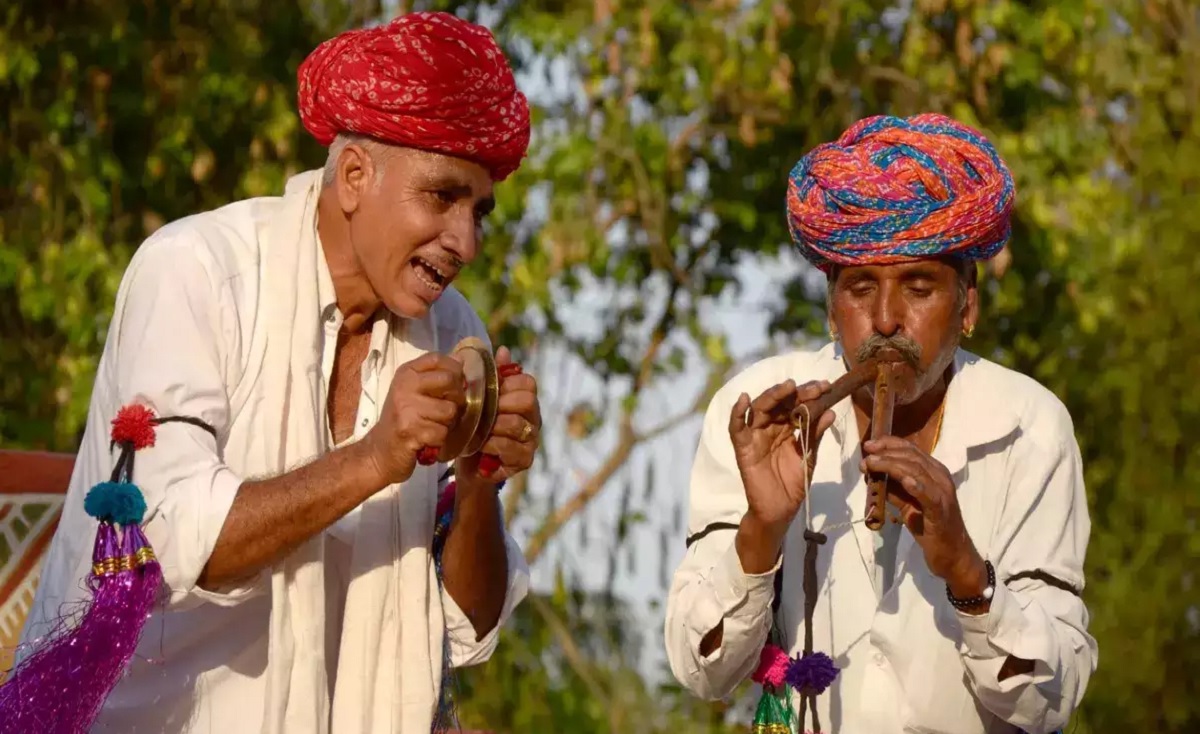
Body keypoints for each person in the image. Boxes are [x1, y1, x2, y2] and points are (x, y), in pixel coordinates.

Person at [18, 11, 536, 733]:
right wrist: (376, 457)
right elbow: (174, 544)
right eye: (442, 196)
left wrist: (481, 483)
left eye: (479, 211)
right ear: (354, 176)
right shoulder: (197, 273)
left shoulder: (453, 334)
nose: (465, 241)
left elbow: (463, 630)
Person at [664, 114, 1096, 734]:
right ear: (831, 305)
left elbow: (1053, 700)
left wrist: (969, 576)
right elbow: (700, 671)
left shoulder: (1030, 427)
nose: (887, 320)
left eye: (919, 288)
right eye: (861, 289)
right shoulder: (757, 412)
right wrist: (762, 530)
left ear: (967, 305)